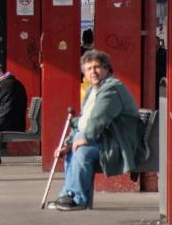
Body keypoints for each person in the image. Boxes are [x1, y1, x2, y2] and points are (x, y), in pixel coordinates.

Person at [51, 50, 143, 211]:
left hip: (119, 142)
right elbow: (82, 121)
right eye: (88, 69)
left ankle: (78, 198)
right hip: (105, 139)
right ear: (84, 73)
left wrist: (84, 138)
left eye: (97, 67)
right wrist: (67, 143)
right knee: (71, 149)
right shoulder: (92, 91)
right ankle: (69, 195)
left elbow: (98, 118)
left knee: (82, 150)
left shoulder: (112, 89)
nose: (93, 72)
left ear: (106, 69)